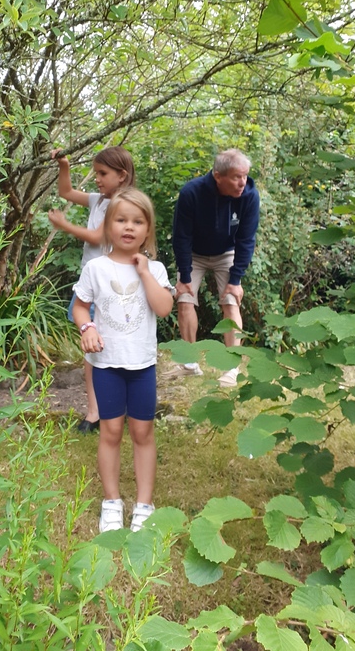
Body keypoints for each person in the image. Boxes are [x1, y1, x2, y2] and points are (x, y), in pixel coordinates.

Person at [72, 189, 174, 532]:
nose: (128, 227)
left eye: (137, 221)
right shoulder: (96, 268)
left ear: (148, 229)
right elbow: (80, 305)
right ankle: (111, 502)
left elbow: (163, 308)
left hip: (142, 366)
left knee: (142, 432)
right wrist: (86, 327)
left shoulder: (156, 270)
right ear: (107, 225)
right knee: (111, 431)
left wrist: (144, 273)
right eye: (120, 220)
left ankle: (144, 505)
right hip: (106, 365)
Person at [48, 147, 136, 433]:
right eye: (96, 173)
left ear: (122, 176)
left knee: (99, 350)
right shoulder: (99, 200)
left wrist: (65, 225)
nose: (97, 179)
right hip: (91, 282)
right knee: (94, 350)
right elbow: (66, 192)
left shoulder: (120, 204)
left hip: (108, 286)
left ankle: (99, 412)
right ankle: (102, 410)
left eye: (103, 174)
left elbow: (98, 237)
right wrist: (64, 165)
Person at [172, 149, 260, 386]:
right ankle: (190, 364)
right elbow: (181, 236)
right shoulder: (191, 193)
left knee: (231, 301)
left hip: (226, 252)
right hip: (194, 253)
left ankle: (231, 368)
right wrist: (185, 276)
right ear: (218, 175)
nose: (242, 182)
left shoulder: (249, 196)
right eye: (236, 177)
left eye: (245, 176)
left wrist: (236, 280)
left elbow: (246, 239)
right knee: (184, 298)